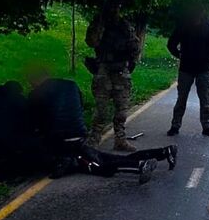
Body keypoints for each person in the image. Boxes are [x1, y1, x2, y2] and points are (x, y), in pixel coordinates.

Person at [27, 69, 177, 184]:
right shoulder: (71, 85)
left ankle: (139, 166)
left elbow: (34, 123)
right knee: (107, 157)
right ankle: (162, 152)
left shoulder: (36, 94)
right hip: (79, 134)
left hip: (61, 142)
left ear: (35, 80)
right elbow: (79, 106)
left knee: (99, 166)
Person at [85, 5, 141, 151]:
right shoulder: (99, 24)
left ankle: (120, 139)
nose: (113, 12)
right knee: (101, 110)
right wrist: (99, 23)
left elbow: (135, 46)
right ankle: (93, 140)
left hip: (120, 70)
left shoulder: (124, 26)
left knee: (121, 109)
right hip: (104, 69)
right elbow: (91, 41)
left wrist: (131, 63)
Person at [166, 10, 209, 137]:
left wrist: (208, 58)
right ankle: (175, 125)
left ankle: (206, 126)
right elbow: (171, 44)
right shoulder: (183, 26)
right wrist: (179, 55)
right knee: (181, 98)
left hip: (203, 68)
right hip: (186, 68)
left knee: (205, 99)